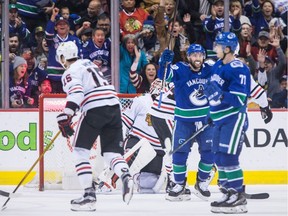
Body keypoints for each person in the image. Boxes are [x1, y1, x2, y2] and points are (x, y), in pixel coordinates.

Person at [55, 41, 134, 211]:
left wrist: (66, 114)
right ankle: (126, 175)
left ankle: (89, 196)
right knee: (112, 153)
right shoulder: (89, 63)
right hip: (114, 106)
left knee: (79, 151)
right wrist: (70, 112)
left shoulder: (70, 71)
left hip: (94, 108)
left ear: (62, 57)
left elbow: (77, 93)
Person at [159, 44, 215, 201]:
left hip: (206, 120)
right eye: (194, 55)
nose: (197, 58)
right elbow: (165, 77)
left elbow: (220, 85)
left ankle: (202, 182)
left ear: (203, 56)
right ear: (188, 57)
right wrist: (164, 64)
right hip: (184, 120)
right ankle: (179, 185)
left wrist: (215, 111)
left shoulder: (210, 68)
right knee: (179, 154)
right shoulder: (180, 68)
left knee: (209, 153)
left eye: (200, 55)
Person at [203, 32, 251, 214]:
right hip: (218, 119)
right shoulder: (217, 65)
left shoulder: (239, 68)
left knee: (229, 157)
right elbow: (212, 93)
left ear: (228, 48)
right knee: (218, 156)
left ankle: (237, 195)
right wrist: (210, 112)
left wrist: (222, 95)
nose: (215, 48)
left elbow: (240, 99)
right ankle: (227, 192)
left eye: (219, 46)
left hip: (233, 118)